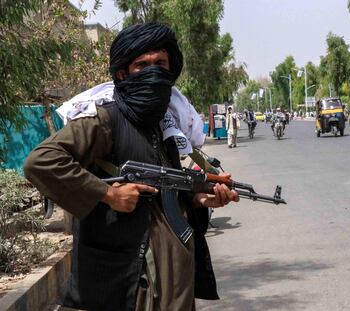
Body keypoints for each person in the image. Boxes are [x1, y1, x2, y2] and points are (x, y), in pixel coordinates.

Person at [24, 23, 239, 311]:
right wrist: (108, 194)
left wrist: (200, 198)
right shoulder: (104, 120)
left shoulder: (164, 124)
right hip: (129, 282)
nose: (153, 72)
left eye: (160, 64)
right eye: (142, 65)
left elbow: (165, 192)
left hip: (173, 282)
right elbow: (42, 161)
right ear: (123, 73)